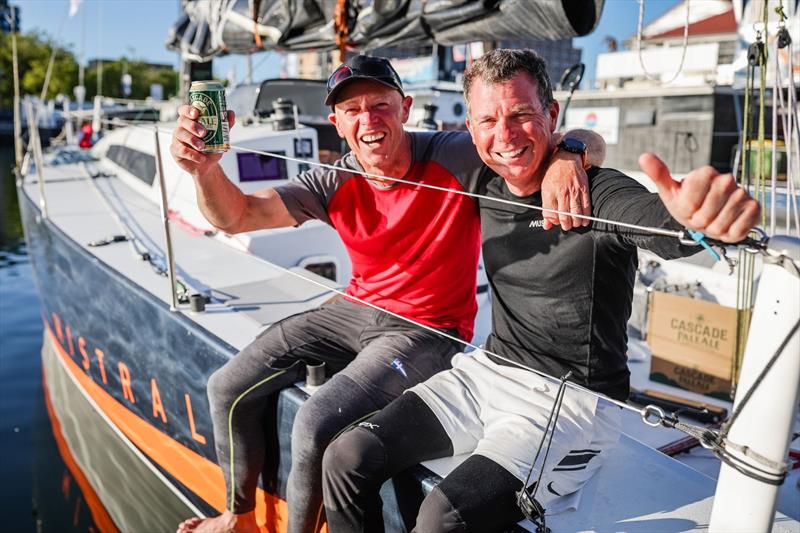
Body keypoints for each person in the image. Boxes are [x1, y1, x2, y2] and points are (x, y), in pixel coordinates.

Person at [321, 48, 760, 533]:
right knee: (348, 455)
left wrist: (697, 221)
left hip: (571, 402)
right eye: (488, 119)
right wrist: (571, 147)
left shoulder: (597, 192)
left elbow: (657, 223)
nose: (504, 135)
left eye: (521, 114)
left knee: (443, 518)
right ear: (470, 127)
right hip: (488, 371)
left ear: (551, 115)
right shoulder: (482, 180)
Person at [171, 54, 598, 533]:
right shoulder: (333, 178)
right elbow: (239, 216)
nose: (368, 120)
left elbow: (547, 141)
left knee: (314, 421)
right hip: (356, 308)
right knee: (225, 386)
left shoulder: (454, 154)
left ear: (406, 108)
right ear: (337, 123)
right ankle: (239, 516)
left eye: (380, 105)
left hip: (427, 330)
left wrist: (571, 154)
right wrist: (204, 170)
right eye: (352, 111)